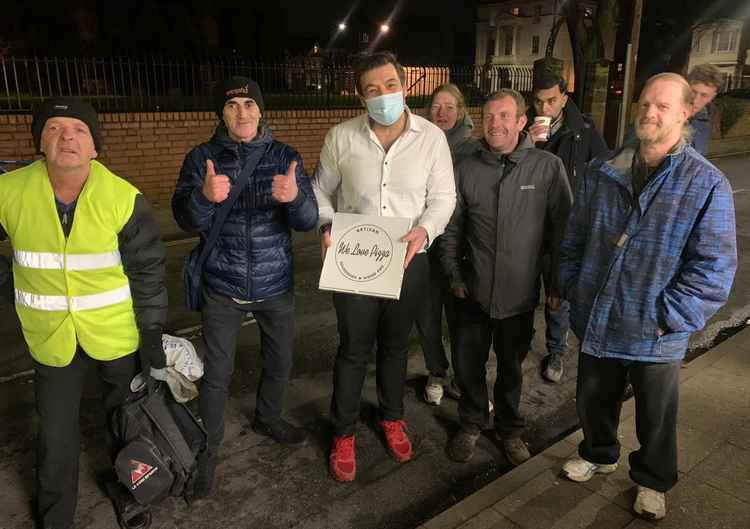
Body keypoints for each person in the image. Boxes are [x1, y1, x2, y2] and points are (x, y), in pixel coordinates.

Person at [559, 73, 737, 520]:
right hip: (599, 315)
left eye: (661, 106)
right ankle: (599, 453)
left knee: (655, 416)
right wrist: (569, 288)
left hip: (656, 331)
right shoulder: (605, 170)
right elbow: (575, 237)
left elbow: (714, 268)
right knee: (594, 399)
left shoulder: (705, 183)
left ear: (684, 112)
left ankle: (653, 479)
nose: (649, 113)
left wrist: (668, 316)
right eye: (644, 104)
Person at [0, 98, 167, 529]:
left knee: (125, 422)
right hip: (50, 338)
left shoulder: (123, 198)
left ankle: (129, 495)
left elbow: (147, 270)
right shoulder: (9, 191)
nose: (66, 137)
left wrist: (151, 333)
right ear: (40, 141)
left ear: (95, 147)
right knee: (55, 435)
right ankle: (56, 517)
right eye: (54, 128)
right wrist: (8, 281)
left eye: (78, 129)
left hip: (116, 336)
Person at [172, 77, 318, 498]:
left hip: (275, 283)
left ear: (261, 110)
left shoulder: (285, 156)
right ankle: (208, 448)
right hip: (222, 282)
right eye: (232, 104)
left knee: (280, 360)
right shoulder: (201, 158)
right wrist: (202, 197)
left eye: (249, 103)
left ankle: (268, 418)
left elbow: (307, 220)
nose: (241, 112)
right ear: (222, 113)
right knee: (217, 373)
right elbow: (186, 218)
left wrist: (294, 197)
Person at [313, 52, 456, 482]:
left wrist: (425, 231)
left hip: (409, 258)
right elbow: (319, 191)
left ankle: (392, 418)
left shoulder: (431, 138)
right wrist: (325, 225)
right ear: (361, 96)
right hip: (353, 259)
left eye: (390, 85)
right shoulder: (341, 138)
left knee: (395, 347)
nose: (383, 95)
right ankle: (343, 432)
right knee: (353, 349)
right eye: (372, 89)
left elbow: (444, 198)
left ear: (404, 86)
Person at [441, 89, 572, 465]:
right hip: (472, 291)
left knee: (512, 369)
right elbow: (451, 229)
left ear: (520, 122)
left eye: (504, 116)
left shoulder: (547, 168)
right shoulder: (466, 168)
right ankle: (471, 423)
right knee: (468, 365)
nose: (495, 123)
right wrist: (453, 275)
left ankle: (510, 430)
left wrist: (557, 283)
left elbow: (561, 231)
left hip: (520, 294)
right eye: (489, 116)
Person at [527, 70, 609, 383]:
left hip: (565, 224)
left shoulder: (583, 129)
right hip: (529, 221)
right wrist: (527, 141)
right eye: (538, 101)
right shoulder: (526, 126)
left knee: (557, 292)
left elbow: (603, 170)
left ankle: (556, 351)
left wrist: (587, 211)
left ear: (564, 97)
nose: (544, 108)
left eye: (551, 100)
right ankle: (521, 342)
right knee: (524, 287)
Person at [419, 83, 479, 406]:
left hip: (458, 248)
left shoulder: (472, 150)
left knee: (460, 318)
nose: (442, 113)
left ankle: (462, 376)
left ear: (461, 111)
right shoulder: (417, 143)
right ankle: (436, 370)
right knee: (427, 315)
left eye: (449, 107)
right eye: (436, 106)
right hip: (425, 244)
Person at [686, 63, 723, 155]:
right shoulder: (666, 115)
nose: (695, 100)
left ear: (712, 97)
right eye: (693, 92)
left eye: (704, 95)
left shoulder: (704, 122)